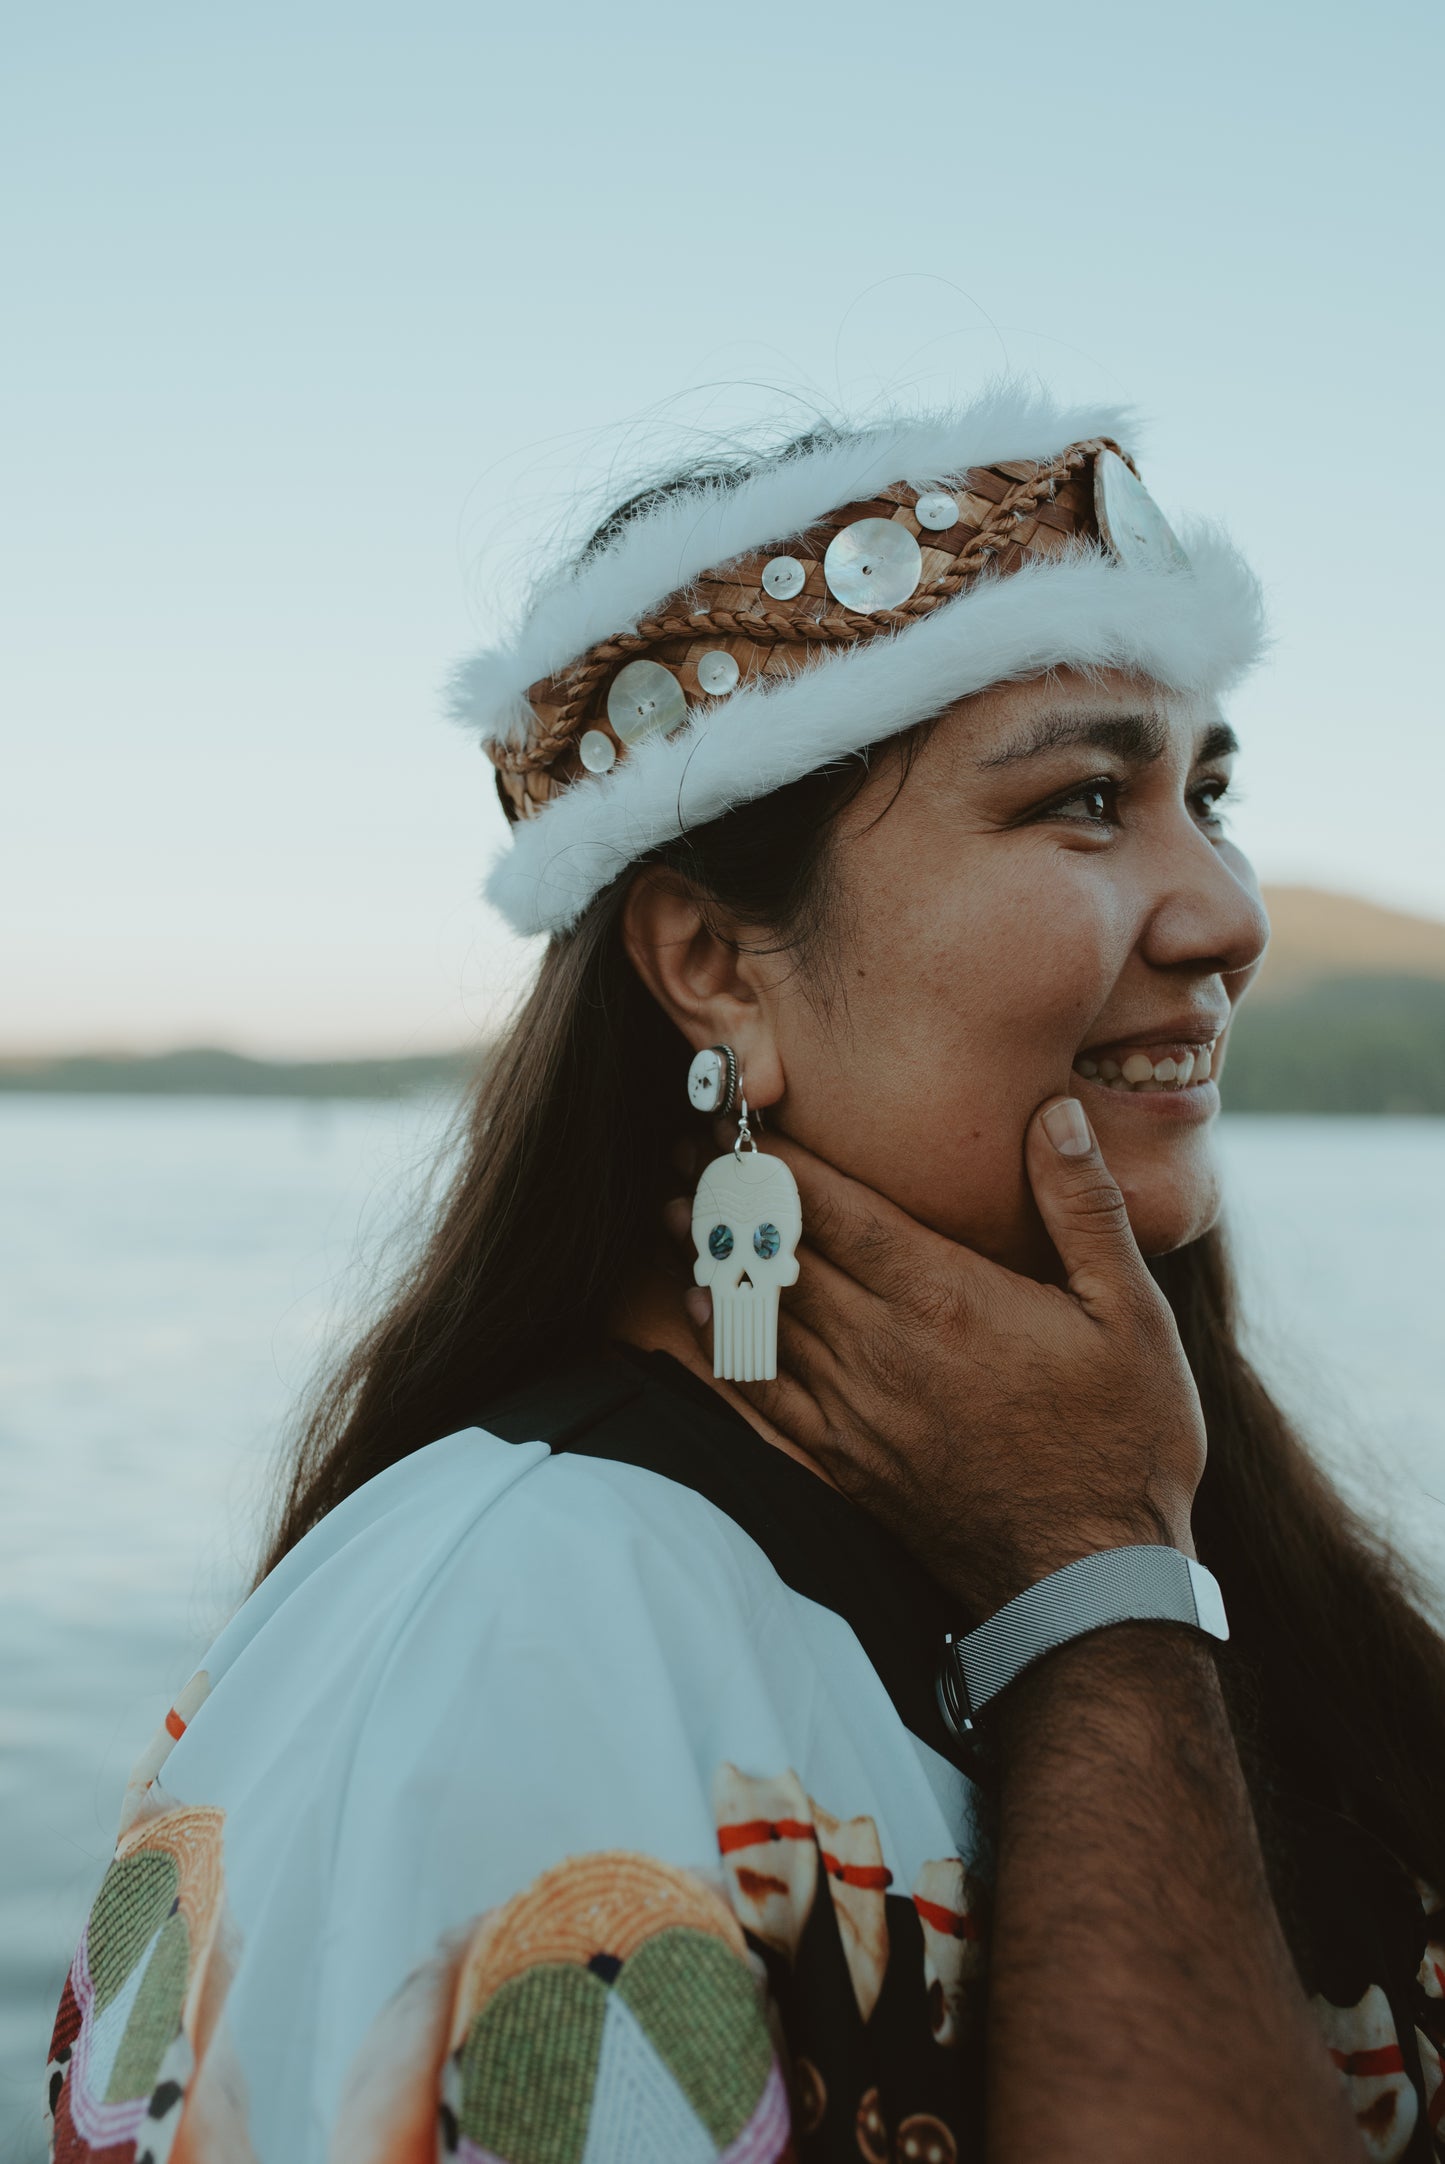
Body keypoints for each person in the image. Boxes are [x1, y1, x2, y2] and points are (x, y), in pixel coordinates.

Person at [44, 393, 1445, 2164]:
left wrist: (1104, 1551)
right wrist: (1095, 1575)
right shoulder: (524, 1635)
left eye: (1206, 791)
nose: (1228, 912)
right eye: (1085, 800)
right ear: (710, 965)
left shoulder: (1152, 1499)